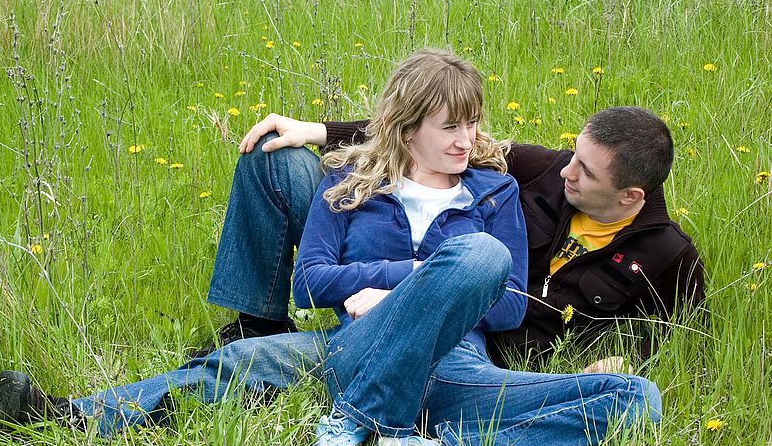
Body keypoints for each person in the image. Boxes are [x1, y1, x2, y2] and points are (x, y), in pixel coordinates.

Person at [281, 48, 660, 446]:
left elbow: (509, 306)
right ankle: (348, 424)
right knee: (218, 370)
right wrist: (413, 278)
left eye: (473, 123)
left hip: (460, 368)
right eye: (452, 128)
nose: (467, 139)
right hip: (369, 342)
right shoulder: (351, 179)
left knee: (636, 400)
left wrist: (409, 292)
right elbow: (308, 282)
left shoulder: (496, 190)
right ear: (406, 130)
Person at [203, 107, 704, 374]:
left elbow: (685, 335)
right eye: (573, 153)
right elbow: (430, 135)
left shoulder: (667, 256)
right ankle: (257, 324)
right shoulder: (546, 170)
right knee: (273, 158)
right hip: (401, 266)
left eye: (585, 171)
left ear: (629, 196)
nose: (566, 170)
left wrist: (632, 359)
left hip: (472, 339)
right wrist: (315, 131)